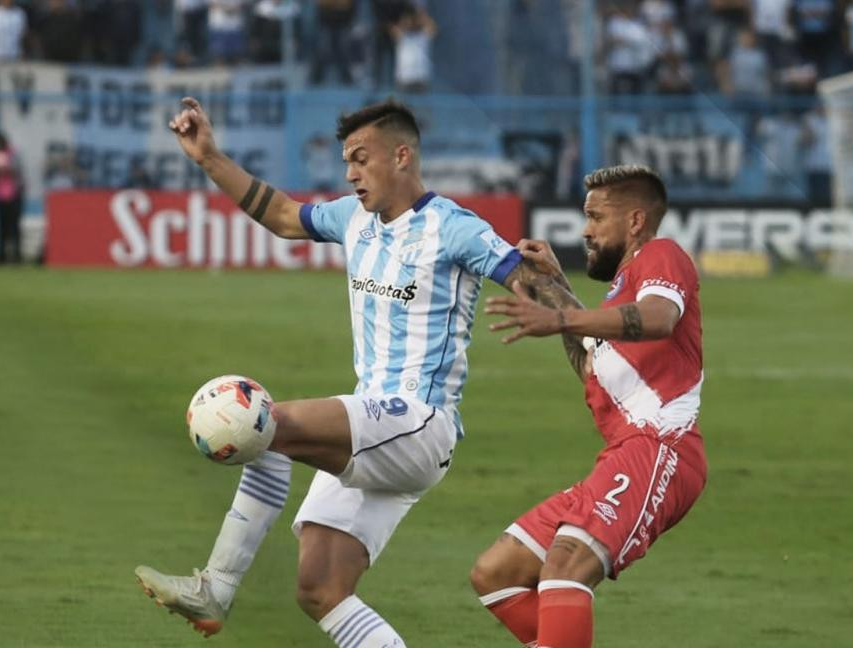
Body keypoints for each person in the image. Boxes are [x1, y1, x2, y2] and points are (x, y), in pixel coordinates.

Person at [134, 98, 546, 646]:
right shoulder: (354, 219)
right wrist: (208, 157)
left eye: (361, 158)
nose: (350, 172)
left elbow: (530, 280)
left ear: (401, 156)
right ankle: (217, 588)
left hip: (420, 421)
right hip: (378, 430)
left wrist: (583, 329)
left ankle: (217, 585)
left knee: (265, 421)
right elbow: (281, 214)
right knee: (321, 589)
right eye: (346, 160)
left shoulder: (452, 228)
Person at [469, 165, 707, 648]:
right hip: (623, 454)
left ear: (636, 221)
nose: (586, 231)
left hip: (661, 448)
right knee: (497, 573)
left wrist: (560, 315)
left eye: (597, 217)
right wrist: (555, 288)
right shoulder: (620, 295)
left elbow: (660, 318)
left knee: (565, 566)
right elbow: (591, 365)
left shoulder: (662, 255)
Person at [0, 132, 23, 264]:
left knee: (14, 227)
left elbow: (17, 171)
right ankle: (1, 256)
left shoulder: (12, 154)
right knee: (1, 227)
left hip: (13, 195)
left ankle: (16, 256)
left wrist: (4, 169)